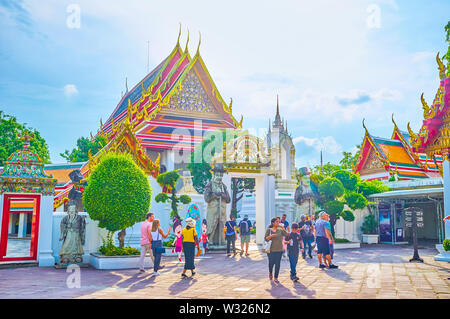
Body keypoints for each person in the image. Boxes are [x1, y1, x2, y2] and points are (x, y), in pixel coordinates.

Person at [265, 217, 289, 284]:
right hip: (271, 250)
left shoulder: (280, 229)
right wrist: (271, 236)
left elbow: (287, 235)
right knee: (271, 263)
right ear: (273, 223)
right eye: (277, 222)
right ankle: (270, 272)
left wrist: (283, 228)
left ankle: (276, 277)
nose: (278, 223)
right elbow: (265, 239)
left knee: (278, 264)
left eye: (279, 222)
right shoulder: (269, 230)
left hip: (279, 249)